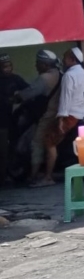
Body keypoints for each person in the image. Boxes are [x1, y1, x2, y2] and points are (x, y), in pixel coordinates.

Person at [34, 48, 84, 188]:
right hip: (81, 113)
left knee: (49, 141)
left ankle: (48, 176)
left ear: (72, 59)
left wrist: (61, 118)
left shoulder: (69, 75)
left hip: (70, 114)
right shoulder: (83, 73)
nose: (63, 60)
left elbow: (65, 98)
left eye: (65, 57)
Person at [13, 50, 62, 185]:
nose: (36, 66)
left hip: (48, 115)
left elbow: (27, 93)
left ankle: (34, 175)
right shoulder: (60, 74)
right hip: (58, 113)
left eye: (38, 63)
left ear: (45, 65)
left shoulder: (44, 78)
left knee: (36, 143)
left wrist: (14, 97)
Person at [0, 54, 28, 187]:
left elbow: (28, 90)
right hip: (2, 121)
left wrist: (19, 99)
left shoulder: (15, 79)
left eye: (9, 65)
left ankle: (6, 175)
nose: (8, 68)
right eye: (4, 66)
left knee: (9, 149)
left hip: (7, 120)